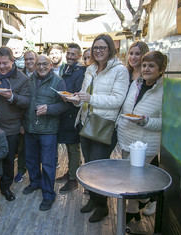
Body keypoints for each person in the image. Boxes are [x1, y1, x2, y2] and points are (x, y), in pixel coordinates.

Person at [67, 34, 129, 222]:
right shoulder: (91, 69)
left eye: (102, 47)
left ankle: (103, 207)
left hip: (104, 125)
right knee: (89, 165)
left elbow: (118, 100)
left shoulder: (120, 70)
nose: (98, 51)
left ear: (110, 49)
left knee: (99, 168)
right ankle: (94, 200)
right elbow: (86, 95)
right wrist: (77, 99)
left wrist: (90, 98)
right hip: (86, 122)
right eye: (96, 48)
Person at [117, 51, 167, 223]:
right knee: (128, 177)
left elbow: (166, 123)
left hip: (146, 143)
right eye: (144, 65)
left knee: (134, 177)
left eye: (151, 65)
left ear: (161, 70)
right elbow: (126, 108)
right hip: (126, 138)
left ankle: (139, 206)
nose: (146, 68)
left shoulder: (166, 91)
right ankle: (137, 206)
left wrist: (145, 121)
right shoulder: (135, 84)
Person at [0, 46, 30, 201]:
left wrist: (12, 97)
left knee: (8, 160)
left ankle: (5, 187)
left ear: (12, 61)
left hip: (11, 127)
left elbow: (27, 101)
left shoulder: (22, 79)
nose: (1, 67)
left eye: (5, 63)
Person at [23, 54, 69, 211]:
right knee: (31, 160)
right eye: (38, 64)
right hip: (30, 127)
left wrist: (49, 109)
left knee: (48, 164)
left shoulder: (58, 81)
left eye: (45, 64)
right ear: (34, 65)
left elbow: (65, 105)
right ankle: (35, 182)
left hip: (48, 130)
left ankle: (48, 194)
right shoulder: (28, 80)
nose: (41, 67)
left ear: (50, 65)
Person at [56, 43, 86, 193]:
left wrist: (66, 95)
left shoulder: (80, 71)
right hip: (66, 111)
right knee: (69, 145)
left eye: (73, 54)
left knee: (74, 146)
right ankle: (70, 172)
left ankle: (73, 179)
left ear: (79, 56)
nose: (69, 56)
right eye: (68, 53)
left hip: (73, 114)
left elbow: (78, 93)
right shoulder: (66, 68)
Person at [14, 50, 38, 184]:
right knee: (22, 148)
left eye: (31, 59)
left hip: (38, 116)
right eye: (26, 59)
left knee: (36, 148)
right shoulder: (20, 74)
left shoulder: (41, 74)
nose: (29, 62)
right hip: (23, 116)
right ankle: (21, 170)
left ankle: (35, 174)